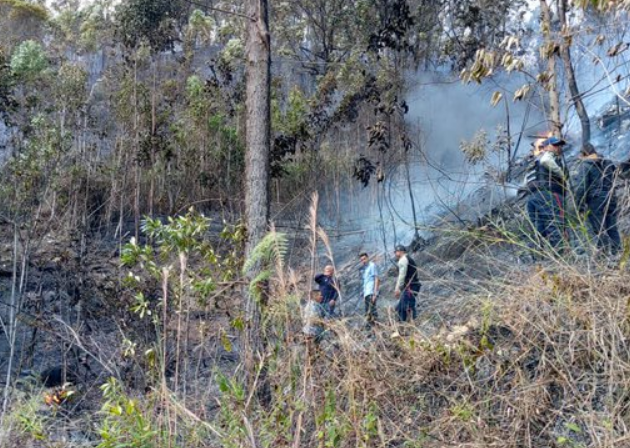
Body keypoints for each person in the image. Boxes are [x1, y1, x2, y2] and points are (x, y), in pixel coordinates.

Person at [522, 136, 569, 250]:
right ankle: (560, 258)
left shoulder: (533, 161)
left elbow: (525, 183)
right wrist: (561, 174)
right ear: (547, 147)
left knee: (539, 229)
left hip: (533, 197)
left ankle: (539, 258)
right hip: (549, 194)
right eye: (555, 145)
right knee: (556, 224)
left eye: (559, 145)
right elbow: (546, 161)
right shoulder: (547, 155)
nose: (558, 148)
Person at [574, 142, 621, 254]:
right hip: (611, 198)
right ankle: (617, 254)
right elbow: (615, 179)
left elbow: (582, 187)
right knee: (612, 228)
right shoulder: (608, 163)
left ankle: (604, 257)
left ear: (584, 154)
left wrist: (579, 206)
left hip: (596, 200)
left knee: (599, 229)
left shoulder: (585, 165)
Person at [393, 245, 421, 322]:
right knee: (402, 306)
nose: (395, 253)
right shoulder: (408, 259)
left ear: (401, 251)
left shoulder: (403, 260)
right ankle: (408, 324)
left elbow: (402, 275)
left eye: (396, 252)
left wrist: (398, 288)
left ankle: (406, 325)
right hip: (413, 286)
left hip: (410, 287)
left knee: (405, 307)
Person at [359, 252, 380, 328]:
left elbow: (376, 278)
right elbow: (365, 282)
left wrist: (375, 293)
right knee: (368, 310)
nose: (363, 261)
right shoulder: (364, 269)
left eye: (364, 259)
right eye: (362, 260)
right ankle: (371, 328)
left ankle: (375, 327)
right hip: (366, 293)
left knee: (371, 310)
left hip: (371, 291)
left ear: (368, 258)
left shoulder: (372, 265)